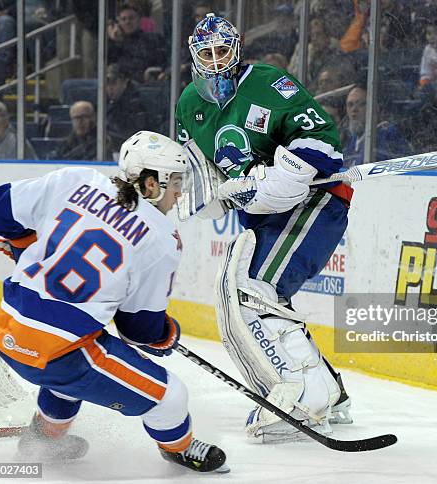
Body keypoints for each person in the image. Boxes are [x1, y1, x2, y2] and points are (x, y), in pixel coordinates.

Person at [0, 131, 229, 473]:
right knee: (171, 397)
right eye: (176, 183)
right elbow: (137, 329)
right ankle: (180, 449)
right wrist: (165, 334)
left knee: (74, 373)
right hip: (62, 353)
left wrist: (23, 249)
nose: (179, 192)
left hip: (9, 331)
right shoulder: (162, 238)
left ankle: (45, 439)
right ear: (150, 184)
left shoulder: (76, 179)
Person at [175, 13, 353, 443]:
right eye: (206, 54)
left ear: (235, 51)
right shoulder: (189, 105)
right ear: (194, 56)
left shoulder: (269, 82)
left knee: (256, 291)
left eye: (222, 52)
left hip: (314, 201)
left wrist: (287, 171)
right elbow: (203, 171)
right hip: (260, 217)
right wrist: (206, 194)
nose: (216, 62)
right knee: (245, 296)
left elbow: (324, 139)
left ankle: (307, 396)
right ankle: (329, 393)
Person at [341, 85, 413, 168]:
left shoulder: (388, 134)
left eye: (361, 104)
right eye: (350, 105)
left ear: (376, 107)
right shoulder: (352, 139)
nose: (354, 109)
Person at [106, 63, 149, 154]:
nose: (110, 88)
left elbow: (134, 135)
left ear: (125, 81)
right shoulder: (107, 102)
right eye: (107, 84)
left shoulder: (136, 105)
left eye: (113, 83)